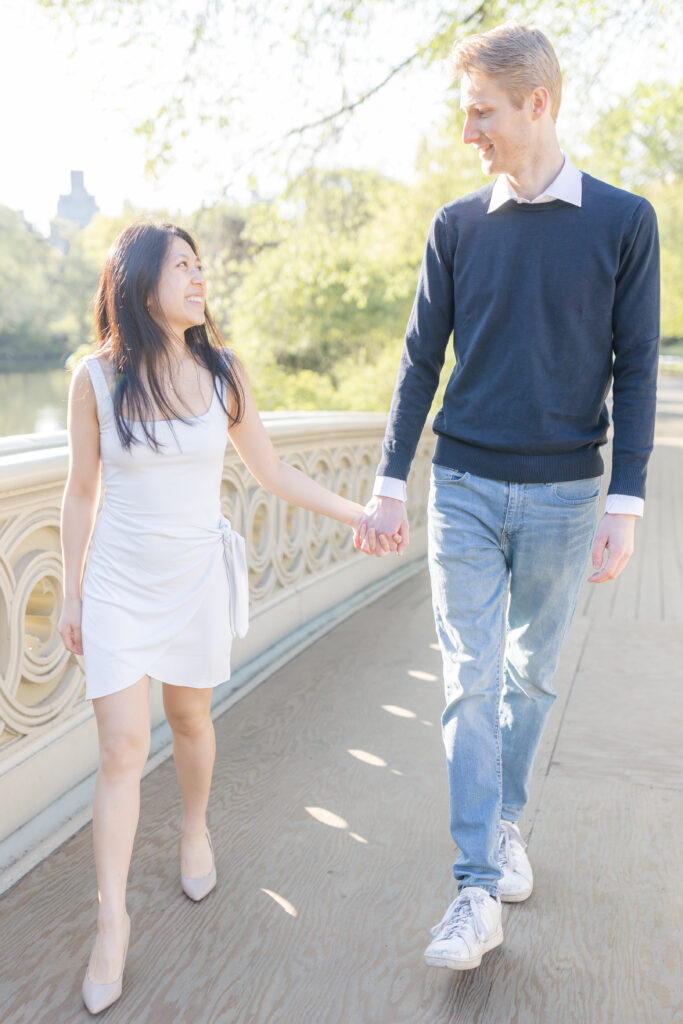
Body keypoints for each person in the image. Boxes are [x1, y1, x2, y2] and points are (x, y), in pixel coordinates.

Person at [355, 22, 659, 971]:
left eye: (480, 113)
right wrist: (388, 485)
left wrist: (626, 503)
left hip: (569, 495)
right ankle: (475, 887)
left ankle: (508, 821)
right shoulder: (455, 227)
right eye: (464, 114)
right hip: (464, 489)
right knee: (467, 680)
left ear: (538, 103)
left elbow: (637, 369)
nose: (467, 133)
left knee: (530, 676)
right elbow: (417, 365)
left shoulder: (623, 221)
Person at [58, 221, 368, 1014]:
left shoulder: (222, 370)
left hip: (195, 577)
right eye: (183, 268)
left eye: (201, 267)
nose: (200, 279)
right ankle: (111, 924)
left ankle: (195, 829)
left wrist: (357, 514)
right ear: (138, 285)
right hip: (120, 585)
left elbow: (269, 469)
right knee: (122, 750)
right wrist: (70, 592)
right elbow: (80, 491)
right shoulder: (95, 380)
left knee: (189, 722)